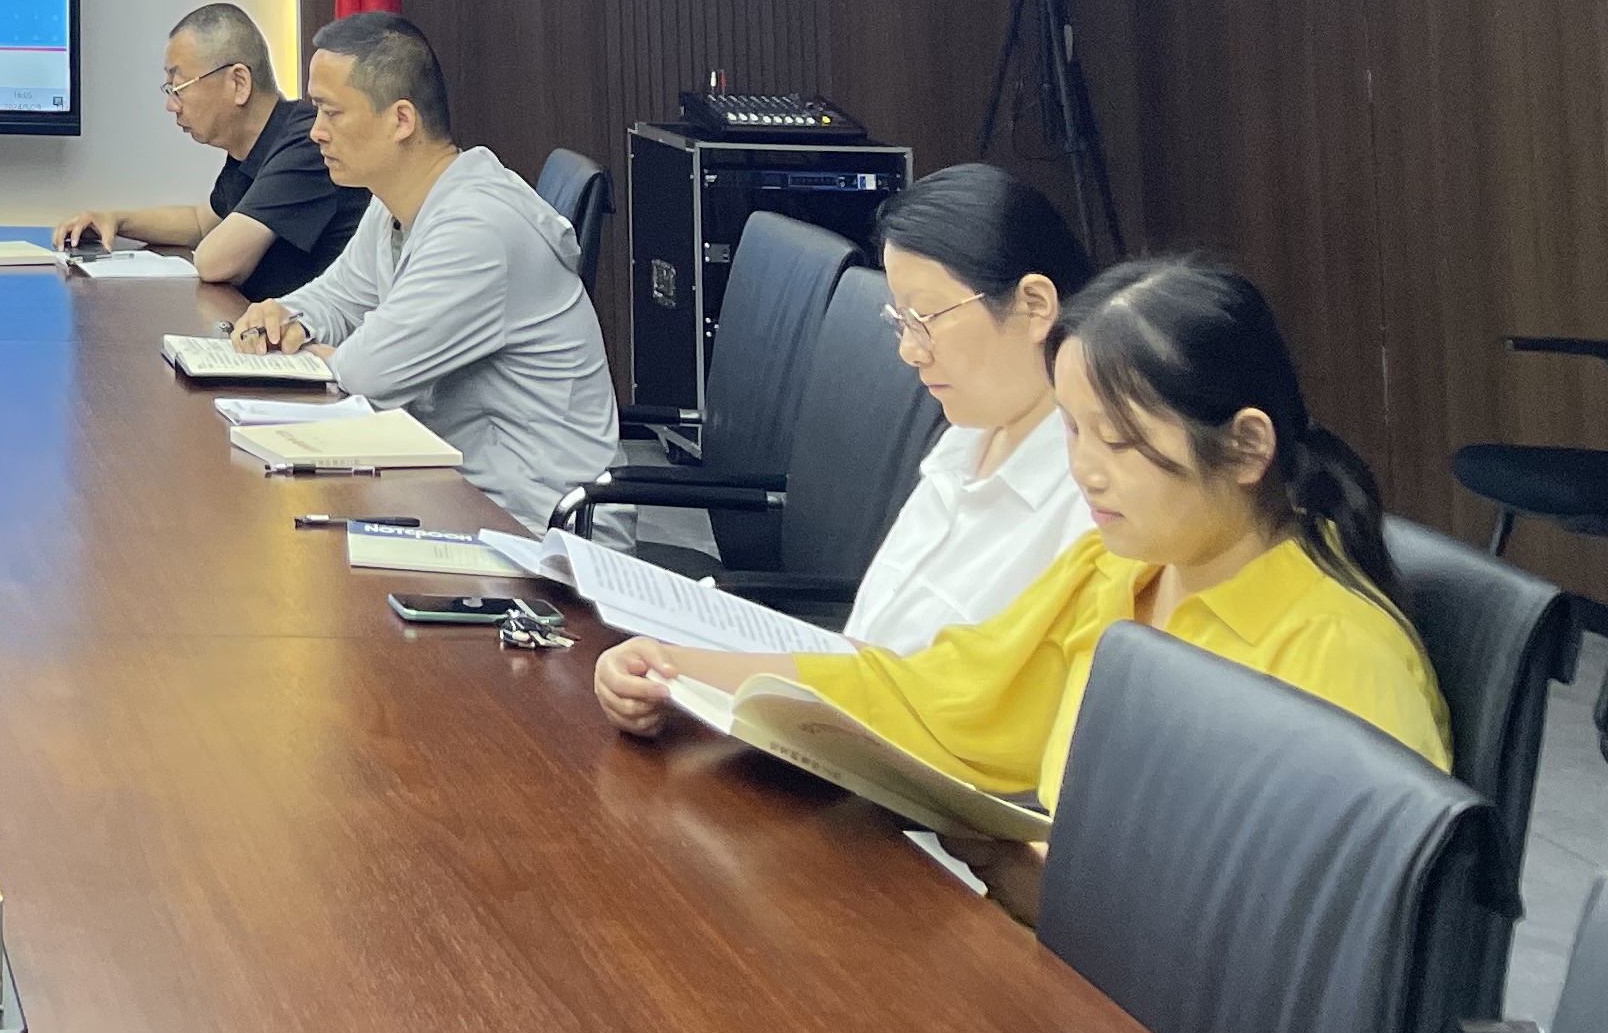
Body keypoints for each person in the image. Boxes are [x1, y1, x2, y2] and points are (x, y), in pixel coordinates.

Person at [590, 256, 1446, 918]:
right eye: (1073, 430)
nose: (1086, 471)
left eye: (1119, 441)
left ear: (1248, 446)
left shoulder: (1340, 655)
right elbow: (933, 694)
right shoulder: (1119, 571)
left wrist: (1046, 891)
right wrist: (679, 669)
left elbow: (1312, 949)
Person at [229, 11, 615, 527]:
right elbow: (339, 297)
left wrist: (305, 350)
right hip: (458, 491)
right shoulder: (397, 201)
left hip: (540, 528)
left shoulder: (476, 229)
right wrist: (284, 316)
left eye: (332, 112)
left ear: (401, 120)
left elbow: (365, 376)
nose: (316, 132)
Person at [841, 164, 1099, 653]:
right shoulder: (966, 438)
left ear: (1034, 305)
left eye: (926, 316)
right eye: (901, 320)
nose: (909, 351)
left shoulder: (1093, 501)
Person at [53, 1, 363, 296]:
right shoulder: (254, 145)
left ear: (239, 83)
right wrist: (115, 219)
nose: (171, 105)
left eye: (178, 88)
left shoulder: (308, 144)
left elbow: (217, 263)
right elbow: (202, 222)